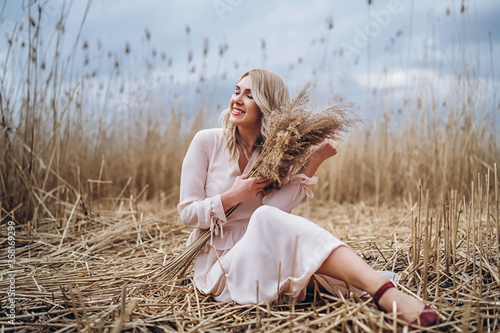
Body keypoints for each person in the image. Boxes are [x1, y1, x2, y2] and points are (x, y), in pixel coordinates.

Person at [177, 69, 437, 327]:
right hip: (221, 266)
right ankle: (381, 288)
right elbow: (186, 213)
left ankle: (382, 290)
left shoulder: (275, 152)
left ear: (267, 105)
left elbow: (275, 209)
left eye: (249, 95)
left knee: (267, 218)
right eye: (236, 92)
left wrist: (315, 160)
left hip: (263, 250)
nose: (237, 99)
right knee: (275, 230)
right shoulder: (206, 142)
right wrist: (231, 197)